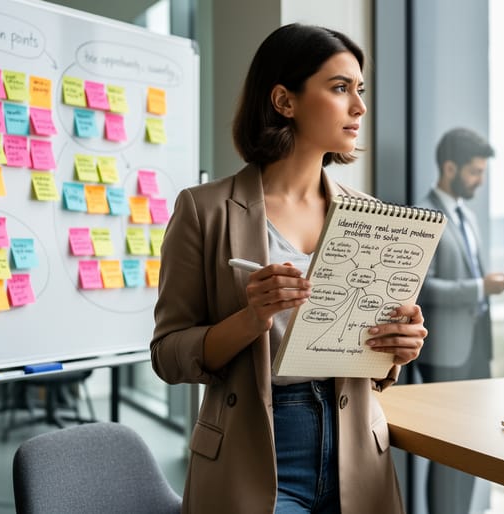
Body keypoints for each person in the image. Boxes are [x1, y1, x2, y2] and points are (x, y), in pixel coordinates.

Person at [150, 24, 426, 514]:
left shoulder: (370, 215)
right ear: (284, 100)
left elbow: (366, 362)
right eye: (340, 88)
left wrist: (396, 350)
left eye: (359, 90)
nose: (359, 107)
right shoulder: (204, 210)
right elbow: (168, 355)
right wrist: (250, 318)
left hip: (356, 450)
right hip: (256, 450)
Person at [416, 127, 504, 514]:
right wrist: (479, 288)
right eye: (475, 172)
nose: (480, 181)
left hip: (476, 345)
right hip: (444, 351)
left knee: (471, 443)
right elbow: (422, 288)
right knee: (447, 450)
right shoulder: (425, 215)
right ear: (450, 167)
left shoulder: (468, 216)